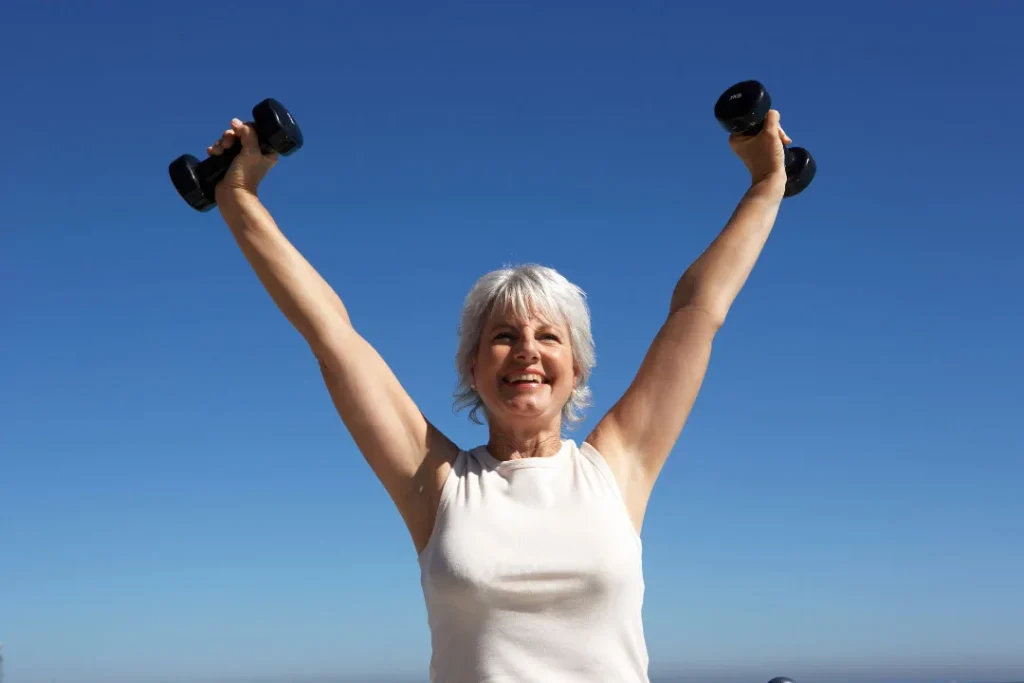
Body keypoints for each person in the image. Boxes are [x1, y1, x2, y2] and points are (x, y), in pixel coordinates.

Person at [205, 107, 794, 682]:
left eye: (548, 337)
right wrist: (239, 202)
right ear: (471, 366)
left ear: (578, 368)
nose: (527, 352)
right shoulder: (436, 483)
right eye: (504, 336)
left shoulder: (617, 467)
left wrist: (766, 185)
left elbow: (698, 309)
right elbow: (332, 336)